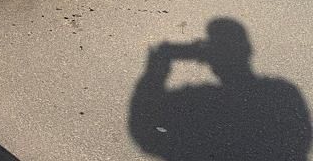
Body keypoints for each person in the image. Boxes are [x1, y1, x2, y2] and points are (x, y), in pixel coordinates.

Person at [129, 18, 311, 160]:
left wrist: (158, 62)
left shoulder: (194, 99)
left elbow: (143, 131)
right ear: (248, 49)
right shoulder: (283, 91)